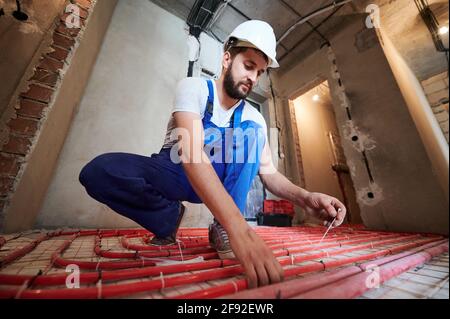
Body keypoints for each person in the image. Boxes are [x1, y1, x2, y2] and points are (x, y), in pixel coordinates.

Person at [79, 20, 346, 288]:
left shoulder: (253, 118)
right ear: (227, 59)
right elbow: (192, 153)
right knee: (99, 172)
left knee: (253, 132)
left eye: (260, 72)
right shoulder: (193, 88)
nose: (253, 78)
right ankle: (167, 217)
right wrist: (239, 228)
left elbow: (269, 174)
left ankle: (221, 226)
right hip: (175, 170)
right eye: (249, 66)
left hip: (220, 180)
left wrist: (306, 197)